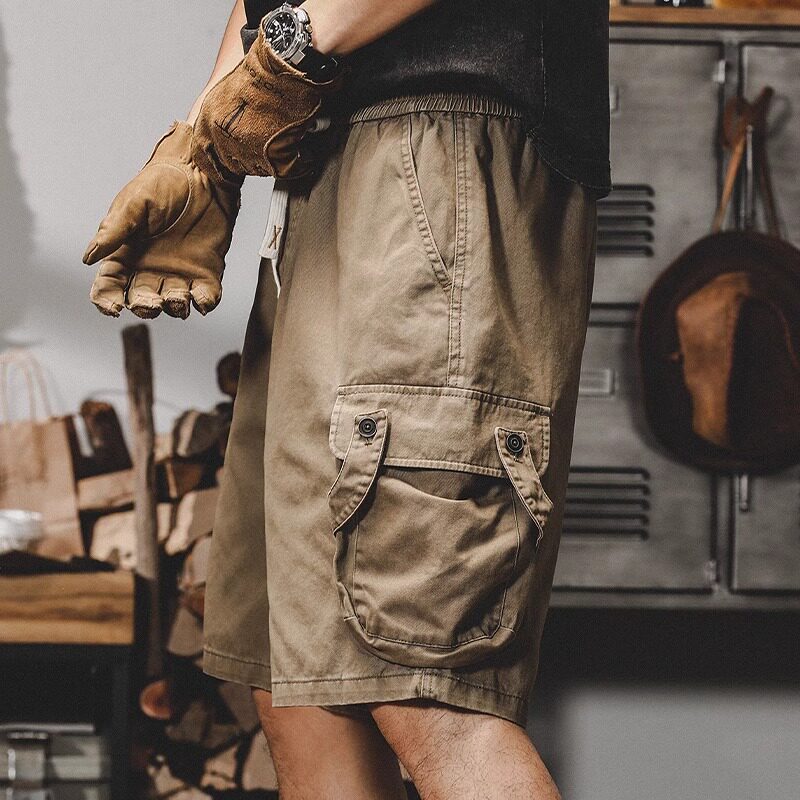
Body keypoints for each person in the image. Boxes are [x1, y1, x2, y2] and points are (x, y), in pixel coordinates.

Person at [84, 1, 611, 797]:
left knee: (424, 693)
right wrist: (202, 149)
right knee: (299, 691)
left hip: (438, 155)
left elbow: (299, 30)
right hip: (323, 162)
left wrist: (288, 56)